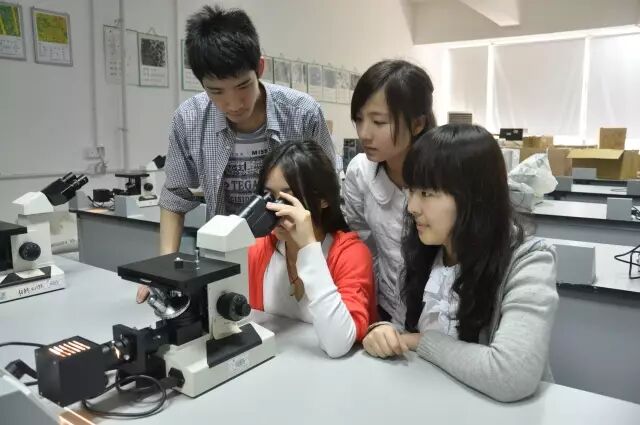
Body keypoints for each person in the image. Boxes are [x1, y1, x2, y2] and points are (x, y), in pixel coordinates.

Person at [137, 5, 334, 303]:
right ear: (200, 83)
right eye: (216, 91)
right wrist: (165, 271)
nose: (233, 103)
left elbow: (328, 191)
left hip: (290, 256)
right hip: (223, 258)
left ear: (260, 68)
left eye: (243, 86)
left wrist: (318, 261)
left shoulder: (302, 113)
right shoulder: (189, 119)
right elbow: (175, 198)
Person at [362, 124, 559, 402]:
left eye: (427, 193)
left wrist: (422, 342)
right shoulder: (425, 250)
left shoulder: (529, 260)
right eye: (411, 190)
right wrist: (383, 333)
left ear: (474, 196)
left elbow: (511, 374)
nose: (412, 207)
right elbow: (402, 328)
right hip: (432, 400)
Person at [249, 141, 376, 358]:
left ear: (323, 199)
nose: (276, 210)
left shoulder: (351, 254)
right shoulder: (259, 249)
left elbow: (338, 344)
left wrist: (308, 247)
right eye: (269, 196)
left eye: (288, 199)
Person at [343, 60, 436, 326]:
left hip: (435, 316)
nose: (364, 133)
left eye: (379, 122)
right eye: (359, 119)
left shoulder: (442, 176)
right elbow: (362, 240)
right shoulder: (360, 171)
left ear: (417, 124)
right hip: (386, 308)